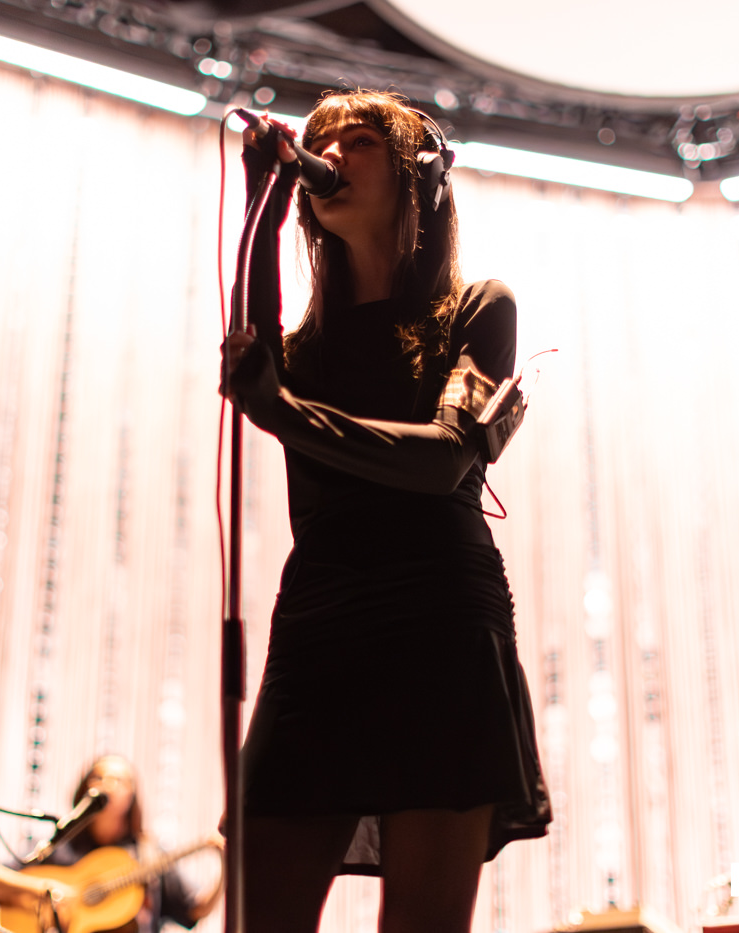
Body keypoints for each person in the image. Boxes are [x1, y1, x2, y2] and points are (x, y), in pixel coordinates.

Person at [222, 89, 551, 933]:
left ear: (419, 176)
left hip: (440, 628)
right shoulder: (305, 347)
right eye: (319, 141)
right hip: (322, 625)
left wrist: (286, 414)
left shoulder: (481, 308)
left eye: (357, 140)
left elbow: (444, 459)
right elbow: (256, 349)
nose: (328, 151)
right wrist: (263, 193)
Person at [0, 755, 223, 933]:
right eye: (98, 777)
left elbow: (196, 908)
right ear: (85, 787)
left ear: (132, 796)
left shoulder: (148, 855)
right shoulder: (61, 844)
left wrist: (227, 867)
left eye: (118, 780)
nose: (106, 785)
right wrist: (43, 888)